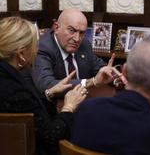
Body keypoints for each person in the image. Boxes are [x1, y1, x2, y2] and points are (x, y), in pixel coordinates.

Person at [0, 16, 87, 155]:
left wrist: (49, 94)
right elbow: (50, 137)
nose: (36, 51)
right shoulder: (16, 92)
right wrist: (68, 107)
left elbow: (28, 109)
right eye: (34, 45)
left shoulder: (9, 77)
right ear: (21, 53)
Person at [32, 8, 112, 98]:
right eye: (71, 30)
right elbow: (47, 84)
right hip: (54, 107)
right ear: (56, 27)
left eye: (81, 33)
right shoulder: (43, 47)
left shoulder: (84, 44)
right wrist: (91, 82)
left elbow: (98, 66)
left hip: (82, 103)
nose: (77, 39)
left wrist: (116, 77)